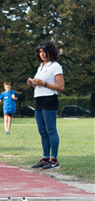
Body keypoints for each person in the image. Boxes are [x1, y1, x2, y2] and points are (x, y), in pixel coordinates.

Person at [27, 41, 64, 170]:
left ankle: (54, 160)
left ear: (50, 52)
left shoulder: (55, 66)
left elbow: (60, 87)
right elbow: (41, 83)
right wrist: (33, 83)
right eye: (40, 52)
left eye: (44, 51)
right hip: (39, 100)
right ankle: (45, 158)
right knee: (42, 131)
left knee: (51, 130)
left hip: (49, 100)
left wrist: (44, 83)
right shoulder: (41, 67)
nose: (42, 54)